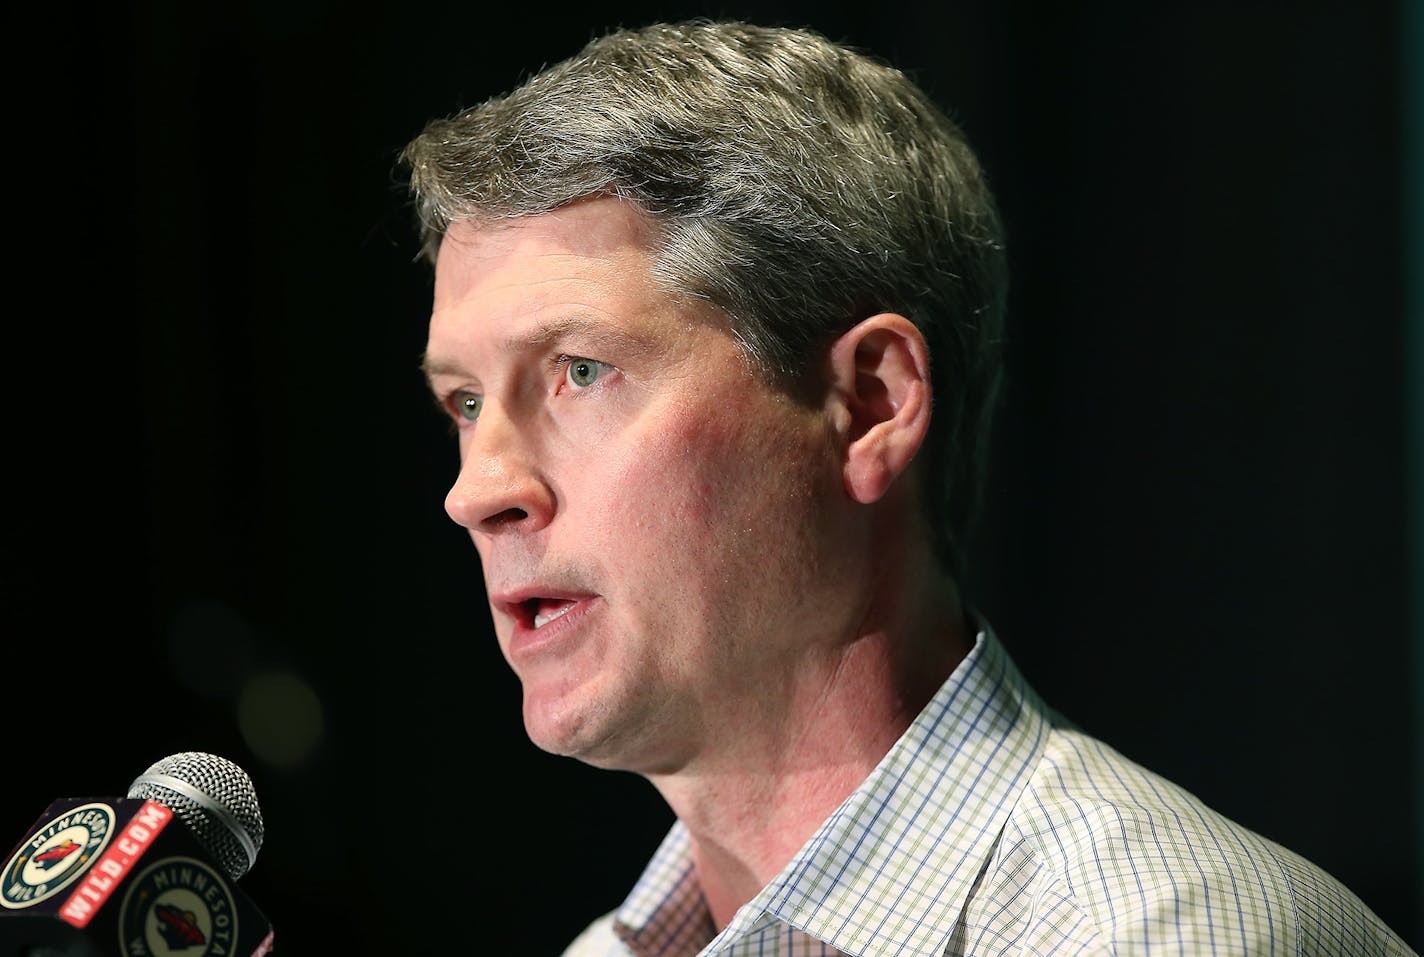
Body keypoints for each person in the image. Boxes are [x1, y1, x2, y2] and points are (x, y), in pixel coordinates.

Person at [399, 20, 1413, 957]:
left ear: (870, 404)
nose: (476, 491)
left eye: (581, 370)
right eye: (463, 403)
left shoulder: (1156, 935)